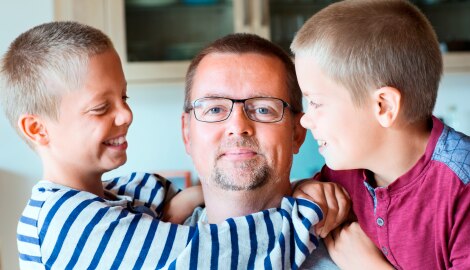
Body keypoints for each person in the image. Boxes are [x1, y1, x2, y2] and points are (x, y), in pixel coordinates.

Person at [1, 21, 326, 269]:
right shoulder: (69, 223)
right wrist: (312, 212)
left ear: (299, 132)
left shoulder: (108, 197)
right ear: (37, 129)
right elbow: (210, 255)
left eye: (262, 109)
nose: (126, 114)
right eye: (101, 108)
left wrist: (188, 198)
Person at [290, 0, 470, 269]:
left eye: (315, 102)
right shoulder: (346, 171)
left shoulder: (461, 190)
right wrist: (305, 190)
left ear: (383, 106)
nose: (305, 119)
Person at [181, 33, 347, 269]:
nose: (238, 127)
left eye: (263, 109)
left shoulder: (352, 249)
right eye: (215, 109)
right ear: (187, 133)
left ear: (297, 133)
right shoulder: (144, 237)